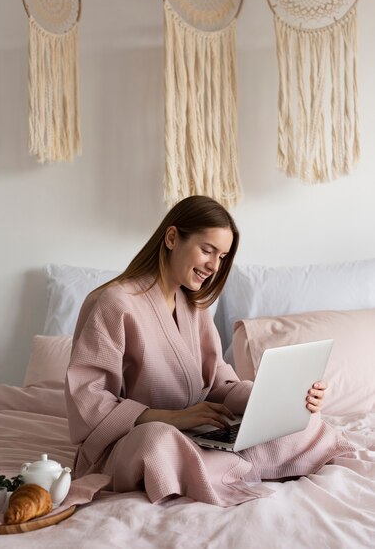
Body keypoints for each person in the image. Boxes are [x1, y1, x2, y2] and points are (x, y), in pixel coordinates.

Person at [65, 195, 354, 506]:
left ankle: (216, 466)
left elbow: (219, 383)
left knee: (303, 425)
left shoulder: (195, 305)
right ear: (173, 238)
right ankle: (222, 467)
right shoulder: (113, 303)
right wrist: (174, 419)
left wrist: (279, 398)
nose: (214, 266)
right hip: (131, 440)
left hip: (197, 435)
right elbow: (89, 402)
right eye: (207, 250)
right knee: (158, 443)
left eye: (222, 256)